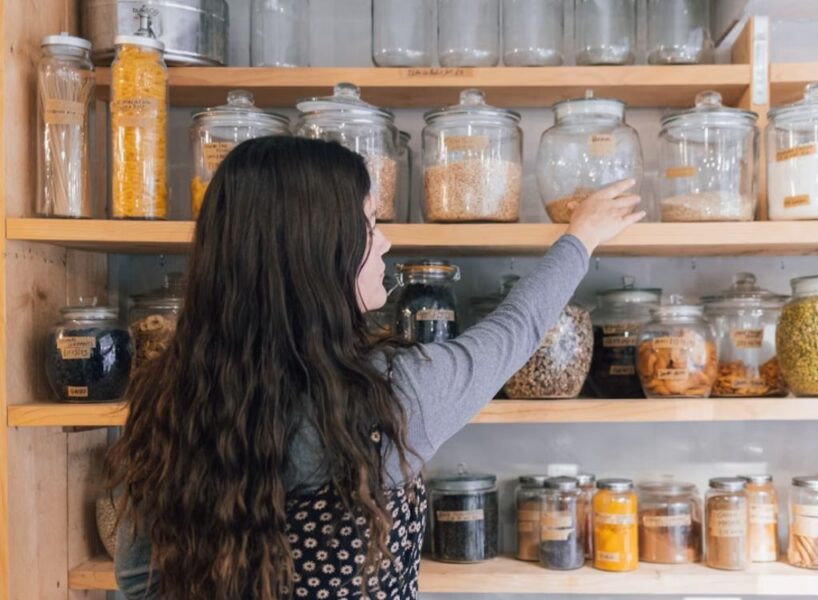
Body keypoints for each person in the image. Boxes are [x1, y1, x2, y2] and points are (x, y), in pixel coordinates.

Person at [107, 136, 644, 599]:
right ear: (320, 252)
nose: (384, 240)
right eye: (368, 224)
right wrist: (581, 238)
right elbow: (514, 333)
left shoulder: (171, 394)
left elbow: (138, 579)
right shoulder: (389, 396)